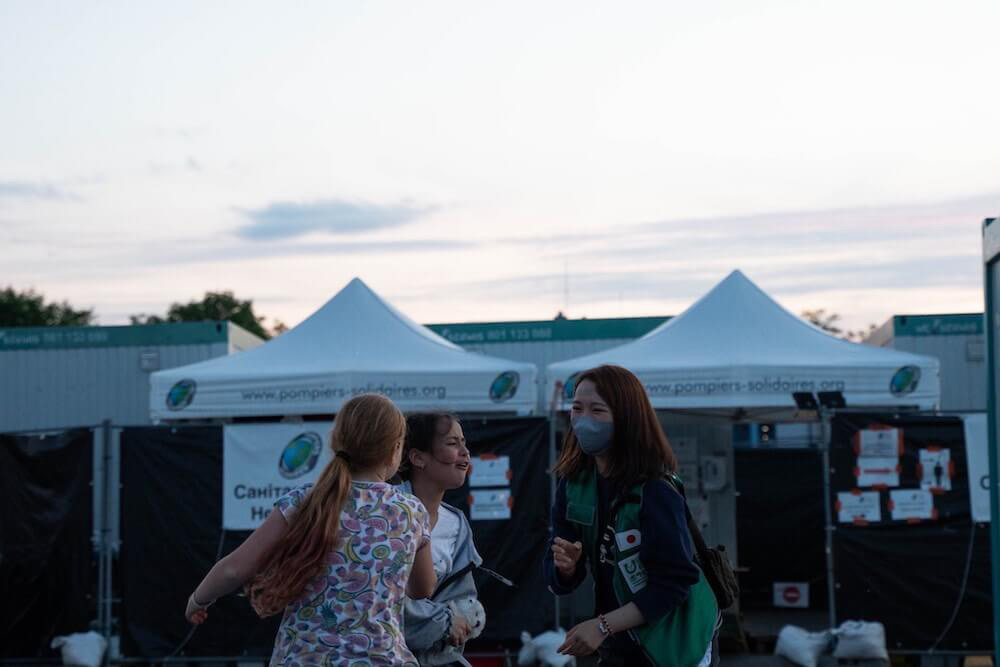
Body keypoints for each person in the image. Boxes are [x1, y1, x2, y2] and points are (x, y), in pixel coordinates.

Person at [184, 393, 436, 666]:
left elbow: (235, 569)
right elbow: (423, 588)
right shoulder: (411, 510)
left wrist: (198, 600)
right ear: (395, 449)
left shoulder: (305, 501)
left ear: (338, 441)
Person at [543, 365, 719, 667]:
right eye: (576, 408)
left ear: (627, 418)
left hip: (676, 640)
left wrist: (602, 626)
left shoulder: (654, 489)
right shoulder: (573, 485)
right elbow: (559, 578)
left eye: (597, 410)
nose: (583, 420)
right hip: (620, 642)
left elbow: (673, 584)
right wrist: (566, 567)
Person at [397, 413, 484, 667]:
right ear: (417, 457)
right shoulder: (387, 510)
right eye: (452, 443)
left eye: (464, 442)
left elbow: (461, 601)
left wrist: (466, 616)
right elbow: (378, 597)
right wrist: (442, 621)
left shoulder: (457, 524)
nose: (465, 452)